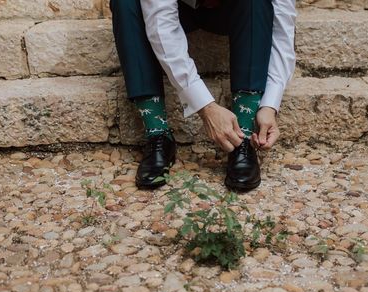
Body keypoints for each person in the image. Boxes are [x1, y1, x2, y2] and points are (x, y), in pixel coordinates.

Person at [110, 0, 296, 191]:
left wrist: (269, 105)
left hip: (234, 12)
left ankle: (243, 134)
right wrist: (206, 107)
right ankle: (157, 133)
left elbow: (282, 26)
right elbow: (161, 25)